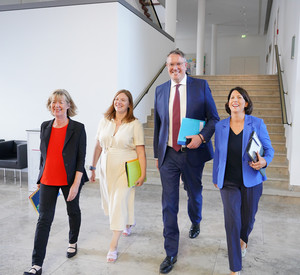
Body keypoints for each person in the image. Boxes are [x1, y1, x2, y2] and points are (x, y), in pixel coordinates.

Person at [153, 49, 220, 274]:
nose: (175, 68)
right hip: (169, 154)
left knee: (194, 192)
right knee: (169, 204)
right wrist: (157, 154)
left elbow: (214, 118)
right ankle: (171, 251)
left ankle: (196, 220)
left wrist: (201, 137)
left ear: (186, 66)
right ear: (167, 67)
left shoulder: (200, 86)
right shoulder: (160, 90)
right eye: (171, 65)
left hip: (193, 153)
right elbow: (158, 126)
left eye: (179, 64)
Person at [24, 89, 89, 275]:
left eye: (61, 102)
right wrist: (39, 178)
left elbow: (80, 159)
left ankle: (72, 241)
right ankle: (36, 264)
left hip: (69, 179)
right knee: (43, 219)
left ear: (69, 105)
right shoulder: (45, 126)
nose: (56, 105)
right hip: (48, 178)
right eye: (53, 102)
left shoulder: (78, 128)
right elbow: (44, 156)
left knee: (72, 210)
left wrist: (76, 184)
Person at [212, 87, 274, 275]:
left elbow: (269, 150)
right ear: (228, 103)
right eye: (232, 97)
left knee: (247, 219)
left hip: (252, 180)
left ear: (246, 103)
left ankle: (243, 238)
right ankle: (235, 268)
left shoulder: (257, 123)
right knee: (232, 222)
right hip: (228, 182)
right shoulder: (220, 126)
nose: (235, 100)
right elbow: (218, 154)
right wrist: (216, 177)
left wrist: (263, 161)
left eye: (239, 97)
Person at [90, 89, 146, 263]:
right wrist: (92, 167)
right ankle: (128, 223)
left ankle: (113, 245)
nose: (119, 102)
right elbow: (98, 146)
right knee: (111, 201)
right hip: (106, 168)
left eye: (123, 100)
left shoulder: (134, 124)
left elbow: (141, 151)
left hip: (125, 167)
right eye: (116, 99)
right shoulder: (104, 121)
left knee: (118, 202)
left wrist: (143, 173)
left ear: (129, 104)